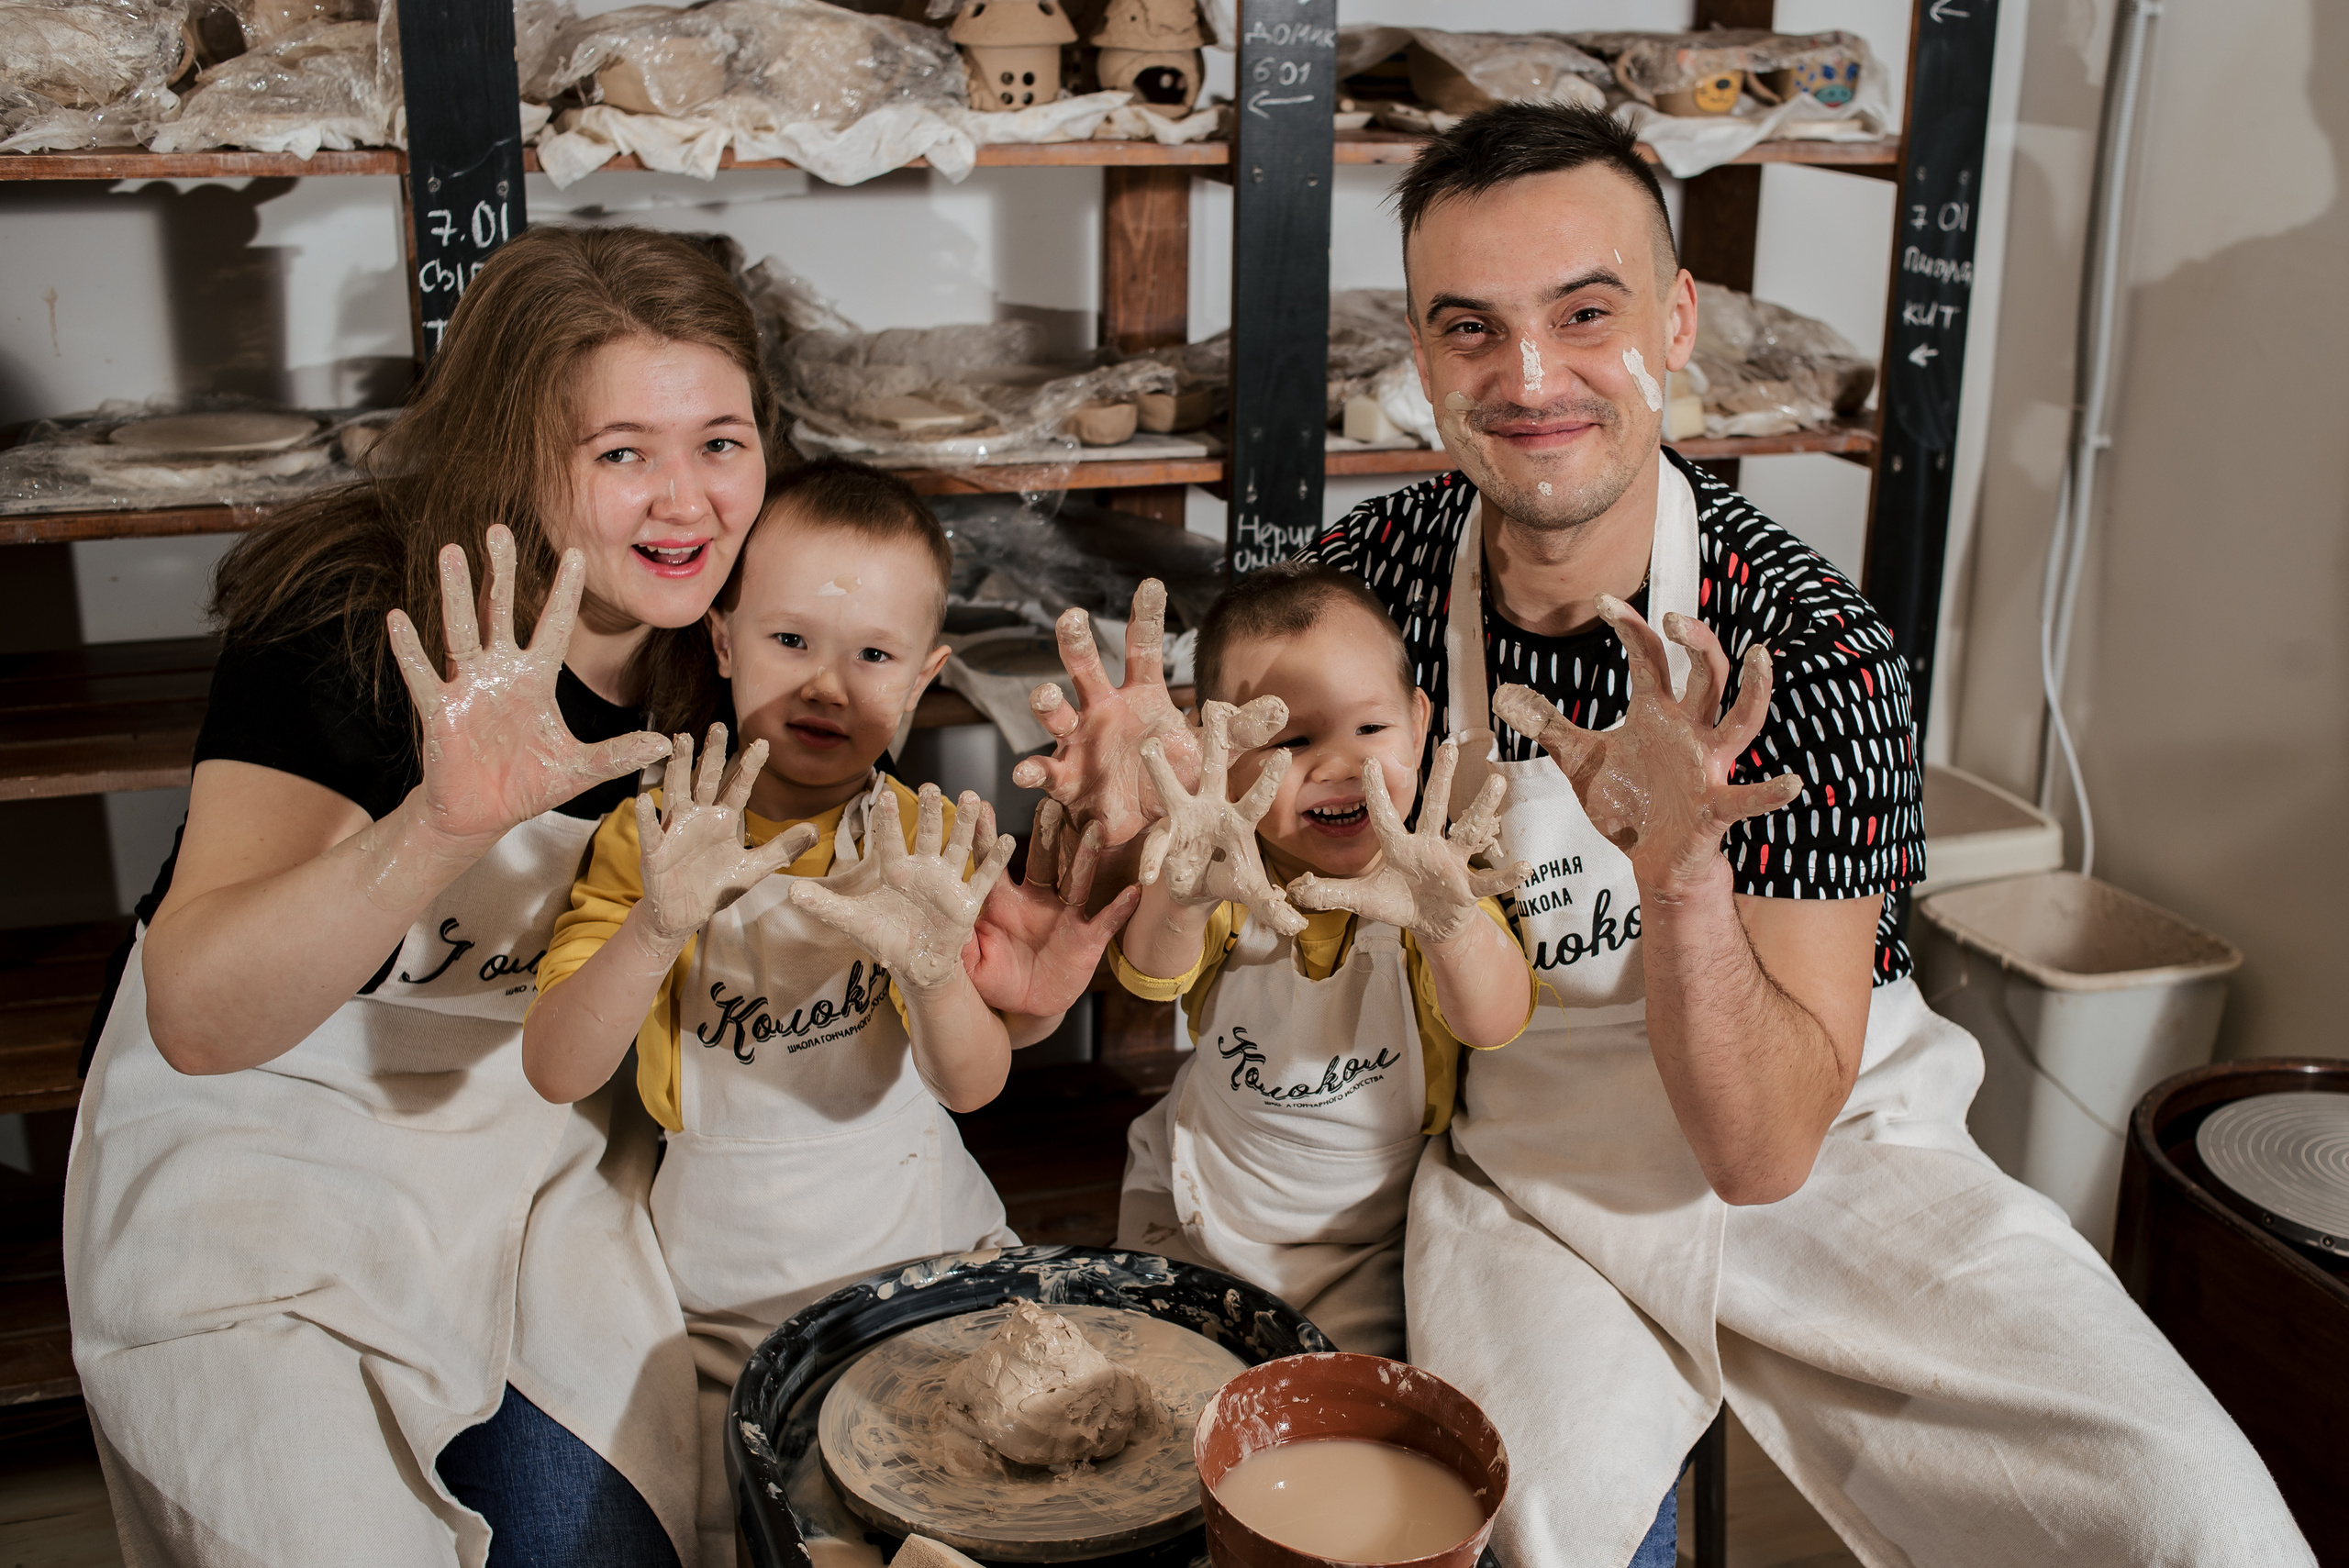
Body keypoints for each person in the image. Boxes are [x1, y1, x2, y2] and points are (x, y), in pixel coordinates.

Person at [1295, 102, 2312, 1567]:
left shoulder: (1811, 647)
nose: (1530, 380)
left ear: (1680, 319)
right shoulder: (1365, 582)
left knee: (2183, 1511)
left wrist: (1684, 874)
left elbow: (1762, 1148)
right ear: (1419, 353)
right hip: (1531, 1162)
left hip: (1822, 1135)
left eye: (1587, 313)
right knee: (1535, 1527)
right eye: (1470, 331)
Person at [62, 225, 770, 1567]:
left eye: (720, 441)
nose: (688, 503)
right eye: (622, 451)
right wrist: (439, 825)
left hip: (532, 1137)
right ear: (517, 446)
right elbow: (204, 1017)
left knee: (600, 1552)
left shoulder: (741, 639)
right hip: (267, 1139)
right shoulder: (354, 611)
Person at [523, 459, 1136, 1568]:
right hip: (734, 1295)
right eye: (791, 640)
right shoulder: (654, 837)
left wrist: (934, 967)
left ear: (924, 678)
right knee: (798, 1530)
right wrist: (658, 925)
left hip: (933, 1256)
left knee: (996, 1509)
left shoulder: (932, 838)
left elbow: (971, 1084)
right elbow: (560, 1065)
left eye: (873, 655)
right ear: (721, 640)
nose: (827, 685)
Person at [1110, 562, 1535, 1357]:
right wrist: (1182, 894)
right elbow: (1149, 974)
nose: (1339, 764)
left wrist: (1454, 927)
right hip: (1193, 1192)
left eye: (1370, 730)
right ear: (1219, 749)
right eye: (1293, 739)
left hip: (1361, 1244)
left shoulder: (1441, 879)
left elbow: (1494, 1020)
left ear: (1418, 720)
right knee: (1155, 1387)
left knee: (1325, 1418)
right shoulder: (1226, 868)